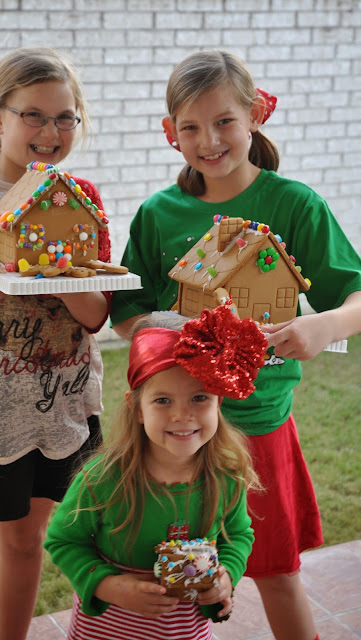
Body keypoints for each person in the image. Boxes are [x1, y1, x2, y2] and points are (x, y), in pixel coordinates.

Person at [110, 50, 361, 640]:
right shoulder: (157, 214)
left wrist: (323, 326)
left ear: (255, 116)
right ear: (171, 134)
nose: (209, 139)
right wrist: (158, 332)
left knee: (275, 573)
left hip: (257, 427)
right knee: (169, 574)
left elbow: (355, 296)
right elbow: (125, 310)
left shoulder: (294, 205)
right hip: (176, 432)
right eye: (191, 127)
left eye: (224, 121)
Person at [0, 47, 112, 640]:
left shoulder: (78, 196)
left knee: (27, 542)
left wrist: (66, 284)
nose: (50, 131)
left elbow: (95, 314)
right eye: (33, 115)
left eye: (65, 117)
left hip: (58, 407)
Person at [44, 306, 267, 640]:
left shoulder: (226, 476)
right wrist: (108, 585)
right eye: (163, 400)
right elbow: (63, 540)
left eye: (199, 398)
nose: (182, 415)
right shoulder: (102, 479)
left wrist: (226, 576)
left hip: (186, 629)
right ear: (137, 408)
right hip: (110, 629)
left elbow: (237, 537)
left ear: (218, 404)